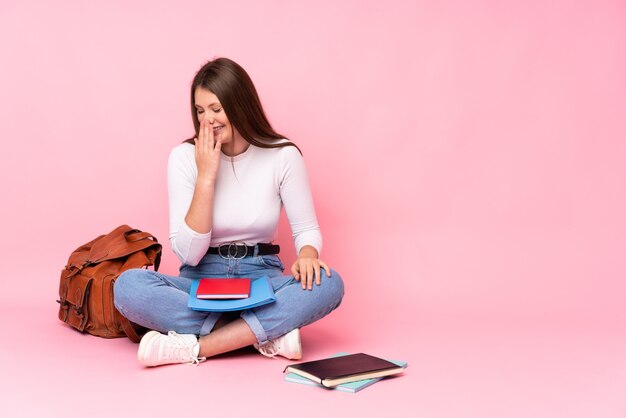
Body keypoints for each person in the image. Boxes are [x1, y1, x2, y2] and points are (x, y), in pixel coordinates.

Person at [113, 57, 345, 367]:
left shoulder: (282, 155)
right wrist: (206, 176)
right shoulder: (184, 157)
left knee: (329, 284)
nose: (207, 120)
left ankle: (196, 347)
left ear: (240, 105)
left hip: (260, 276)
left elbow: (306, 231)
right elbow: (189, 255)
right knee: (129, 287)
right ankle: (262, 333)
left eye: (216, 109)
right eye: (199, 110)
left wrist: (307, 254)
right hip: (200, 279)